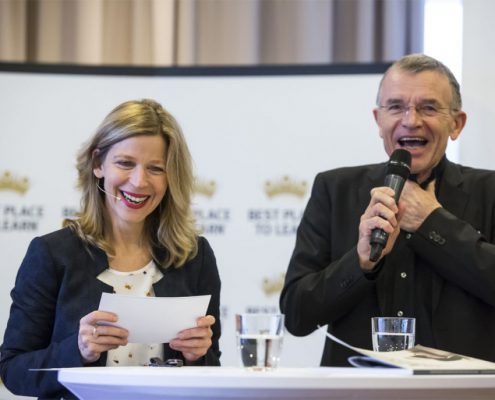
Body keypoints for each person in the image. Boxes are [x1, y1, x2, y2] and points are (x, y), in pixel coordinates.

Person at [280, 54, 495, 366]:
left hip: (460, 387)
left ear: (457, 124)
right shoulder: (335, 190)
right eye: (396, 107)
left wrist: (433, 223)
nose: (411, 120)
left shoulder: (489, 191)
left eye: (429, 107)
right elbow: (297, 315)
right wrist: (361, 263)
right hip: (359, 387)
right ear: (378, 120)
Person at [0, 99, 221, 398]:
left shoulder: (195, 256)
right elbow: (13, 370)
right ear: (98, 164)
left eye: (156, 168)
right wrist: (78, 350)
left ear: (171, 177)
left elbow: (212, 366)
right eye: (125, 163)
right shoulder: (52, 253)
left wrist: (197, 357)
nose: (139, 181)